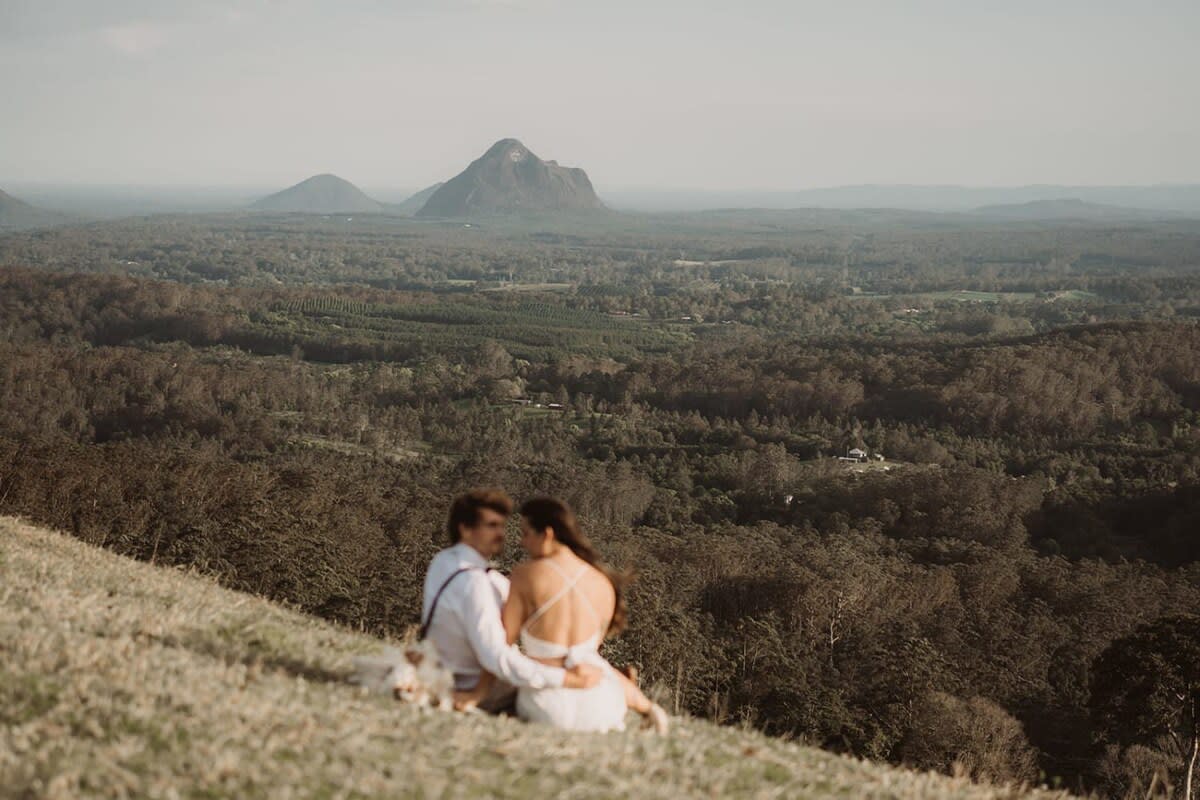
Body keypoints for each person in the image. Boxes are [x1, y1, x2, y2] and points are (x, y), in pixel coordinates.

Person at [458, 496, 669, 733]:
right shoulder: (603, 582)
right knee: (597, 664)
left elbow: (501, 645)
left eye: (526, 533)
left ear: (547, 534)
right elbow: (587, 658)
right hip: (603, 705)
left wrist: (477, 694)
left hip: (547, 705)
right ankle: (649, 709)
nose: (522, 542)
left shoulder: (525, 575)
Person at [421, 490, 602, 713]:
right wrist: (566, 679)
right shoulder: (476, 583)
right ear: (465, 529)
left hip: (438, 672)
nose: (501, 534)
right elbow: (495, 657)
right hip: (469, 687)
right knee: (585, 689)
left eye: (502, 526)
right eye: (491, 526)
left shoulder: (442, 561)